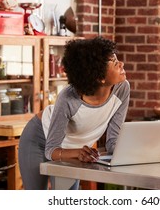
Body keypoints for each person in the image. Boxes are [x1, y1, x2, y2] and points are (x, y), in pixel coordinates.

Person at [18, 37, 130, 190]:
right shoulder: (68, 98)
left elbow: (112, 143)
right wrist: (78, 153)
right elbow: (51, 150)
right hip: (39, 139)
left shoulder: (122, 89)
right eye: (114, 62)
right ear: (99, 76)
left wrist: (147, 152)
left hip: (75, 149)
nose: (121, 64)